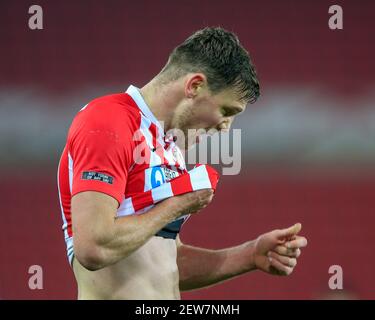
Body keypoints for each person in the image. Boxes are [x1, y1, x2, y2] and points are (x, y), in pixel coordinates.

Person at [57, 27, 308, 299]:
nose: (225, 127)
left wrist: (250, 254)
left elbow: (163, 263)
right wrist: (178, 203)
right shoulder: (107, 121)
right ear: (195, 86)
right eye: (226, 111)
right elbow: (93, 247)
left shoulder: (170, 150)